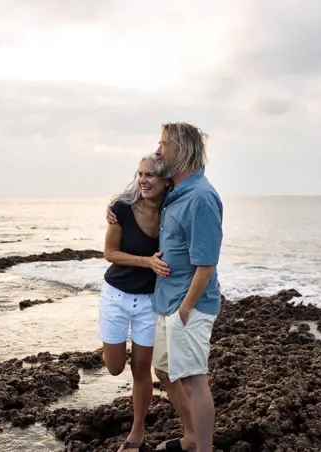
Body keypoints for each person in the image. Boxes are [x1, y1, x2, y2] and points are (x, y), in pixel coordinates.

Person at [107, 122, 223, 452]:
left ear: (182, 151)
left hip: (188, 304)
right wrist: (114, 206)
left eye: (163, 145)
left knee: (194, 380)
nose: (158, 151)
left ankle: (203, 448)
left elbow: (207, 264)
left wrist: (186, 308)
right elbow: (143, 192)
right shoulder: (176, 189)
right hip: (167, 300)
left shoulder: (201, 197)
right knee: (164, 370)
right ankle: (189, 438)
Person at [99, 153, 172, 452]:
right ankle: (115, 346)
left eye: (150, 175)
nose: (143, 179)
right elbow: (110, 253)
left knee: (142, 369)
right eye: (140, 174)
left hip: (149, 303)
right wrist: (146, 262)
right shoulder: (122, 209)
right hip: (115, 296)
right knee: (115, 367)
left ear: (166, 181)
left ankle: (136, 434)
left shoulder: (172, 211)